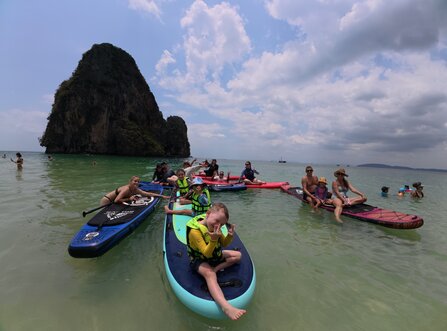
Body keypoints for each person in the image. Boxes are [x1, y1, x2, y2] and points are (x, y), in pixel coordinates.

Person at [186, 202, 246, 320]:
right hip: (199, 259)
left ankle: (216, 268)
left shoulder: (216, 227)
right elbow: (205, 252)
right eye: (217, 221)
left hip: (214, 255)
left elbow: (223, 243)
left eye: (222, 224)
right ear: (208, 214)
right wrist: (213, 239)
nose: (218, 226)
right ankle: (226, 307)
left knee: (238, 255)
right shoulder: (195, 231)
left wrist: (229, 235)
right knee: (210, 275)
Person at [100, 176, 169, 206]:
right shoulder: (126, 189)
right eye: (135, 181)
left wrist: (162, 196)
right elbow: (116, 200)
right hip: (107, 200)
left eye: (138, 181)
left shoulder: (136, 189)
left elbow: (148, 194)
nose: (136, 183)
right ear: (130, 182)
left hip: (115, 201)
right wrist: (128, 199)